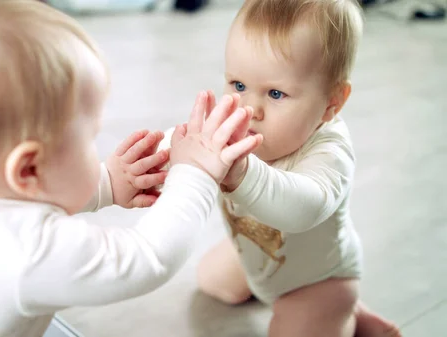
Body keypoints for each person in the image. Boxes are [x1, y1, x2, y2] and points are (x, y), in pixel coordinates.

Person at [0, 1, 260, 336]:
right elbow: (147, 259)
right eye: (88, 135)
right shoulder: (27, 256)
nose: (97, 143)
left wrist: (105, 183)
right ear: (28, 170)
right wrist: (196, 175)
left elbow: (20, 206)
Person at [159, 0, 402, 336]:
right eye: (238, 85)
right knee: (211, 281)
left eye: (275, 93)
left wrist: (242, 174)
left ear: (332, 103)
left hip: (319, 281)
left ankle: (346, 313)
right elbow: (185, 146)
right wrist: (160, 159)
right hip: (259, 255)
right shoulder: (238, 124)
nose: (250, 108)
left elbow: (303, 208)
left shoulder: (329, 150)